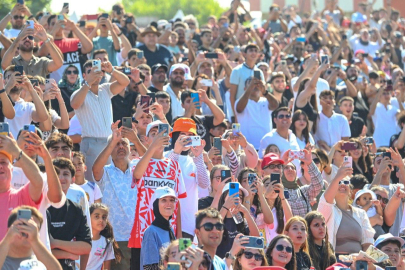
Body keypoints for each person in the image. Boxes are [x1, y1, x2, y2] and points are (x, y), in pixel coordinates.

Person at [129, 120, 187, 270]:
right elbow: (137, 174)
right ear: (146, 139)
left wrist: (179, 237)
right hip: (143, 232)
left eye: (161, 133)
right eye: (153, 134)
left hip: (168, 235)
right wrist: (153, 147)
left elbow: (177, 202)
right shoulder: (137, 162)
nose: (158, 137)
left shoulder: (174, 165)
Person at [92, 123, 143, 270]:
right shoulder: (105, 171)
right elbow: (95, 169)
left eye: (124, 143)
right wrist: (112, 141)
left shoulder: (138, 167)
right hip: (117, 239)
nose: (120, 147)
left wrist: (135, 138)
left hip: (140, 237)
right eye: (116, 144)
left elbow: (153, 162)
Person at [70, 59, 129, 182]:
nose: (96, 74)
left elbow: (125, 82)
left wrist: (111, 70)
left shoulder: (106, 89)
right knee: (93, 181)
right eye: (91, 71)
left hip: (110, 143)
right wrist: (88, 82)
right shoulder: (79, 93)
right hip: (92, 143)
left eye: (98, 71)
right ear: (84, 75)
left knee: (110, 181)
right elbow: (74, 104)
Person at [166, 118, 210, 239]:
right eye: (183, 135)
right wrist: (176, 151)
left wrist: (199, 156)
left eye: (191, 135)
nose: (187, 138)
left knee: (184, 257)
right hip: (165, 223)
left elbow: (204, 184)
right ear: (175, 136)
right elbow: (166, 178)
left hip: (188, 226)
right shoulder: (165, 156)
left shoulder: (194, 161)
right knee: (166, 258)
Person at [317, 165, 375, 253]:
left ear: (351, 191)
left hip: (357, 262)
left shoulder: (361, 213)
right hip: (334, 262)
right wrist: (337, 177)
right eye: (339, 182)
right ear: (332, 188)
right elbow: (326, 201)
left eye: (346, 182)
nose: (342, 184)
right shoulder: (328, 210)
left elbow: (368, 242)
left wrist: (365, 260)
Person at [47, 158, 92, 270]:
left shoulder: (76, 209)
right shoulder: (40, 206)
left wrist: (55, 243)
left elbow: (86, 247)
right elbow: (37, 249)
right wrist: (69, 254)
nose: (61, 178)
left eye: (65, 174)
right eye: (56, 173)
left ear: (72, 179)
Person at [0, 132, 44, 239]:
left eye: (3, 162)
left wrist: (16, 151)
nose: (0, 166)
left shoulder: (20, 196)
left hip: (14, 256)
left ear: (12, 169)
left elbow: (38, 182)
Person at [40, 15, 93, 83]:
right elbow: (42, 53)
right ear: (48, 26)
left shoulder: (74, 41)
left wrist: (74, 27)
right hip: (55, 89)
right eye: (53, 24)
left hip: (77, 88)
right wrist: (54, 30)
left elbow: (89, 47)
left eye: (59, 23)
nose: (57, 25)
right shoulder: (45, 43)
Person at [3, 66, 48, 138]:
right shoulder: (1, 101)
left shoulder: (28, 106)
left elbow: (43, 117)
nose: (14, 80)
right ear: (4, 81)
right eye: (10, 77)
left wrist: (31, 89)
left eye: (18, 77)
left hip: (21, 147)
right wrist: (8, 86)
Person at [217, 182, 260, 258]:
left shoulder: (242, 220)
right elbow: (214, 227)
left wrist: (246, 212)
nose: (237, 198)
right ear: (223, 197)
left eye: (240, 196)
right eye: (232, 195)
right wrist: (226, 207)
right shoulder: (216, 216)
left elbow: (256, 237)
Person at [235, 76, 278, 150]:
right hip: (246, 148)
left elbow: (275, 105)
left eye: (257, 83)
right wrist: (249, 89)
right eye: (251, 83)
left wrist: (265, 92)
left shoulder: (266, 101)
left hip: (265, 148)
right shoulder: (239, 101)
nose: (254, 86)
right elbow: (239, 109)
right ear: (245, 88)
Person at [141, 187, 177, 270]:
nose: (169, 203)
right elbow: (149, 267)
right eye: (164, 200)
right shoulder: (151, 232)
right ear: (156, 204)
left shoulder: (170, 229)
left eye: (172, 200)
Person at [229, 43, 264, 121]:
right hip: (240, 111)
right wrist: (235, 114)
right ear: (244, 54)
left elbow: (261, 94)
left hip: (255, 113)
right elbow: (232, 96)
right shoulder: (237, 70)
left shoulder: (259, 72)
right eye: (251, 50)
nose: (253, 53)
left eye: (256, 51)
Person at [257, 175, 293, 246]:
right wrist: (265, 196)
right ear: (261, 188)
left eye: (274, 185)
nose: (271, 188)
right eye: (267, 185)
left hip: (278, 249)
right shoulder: (256, 206)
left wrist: (282, 196)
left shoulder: (282, 208)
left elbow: (291, 221)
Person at [86, 203, 120, 270]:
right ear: (88, 218)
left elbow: (106, 268)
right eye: (96, 217)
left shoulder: (107, 243)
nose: (101, 220)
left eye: (104, 217)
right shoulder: (78, 240)